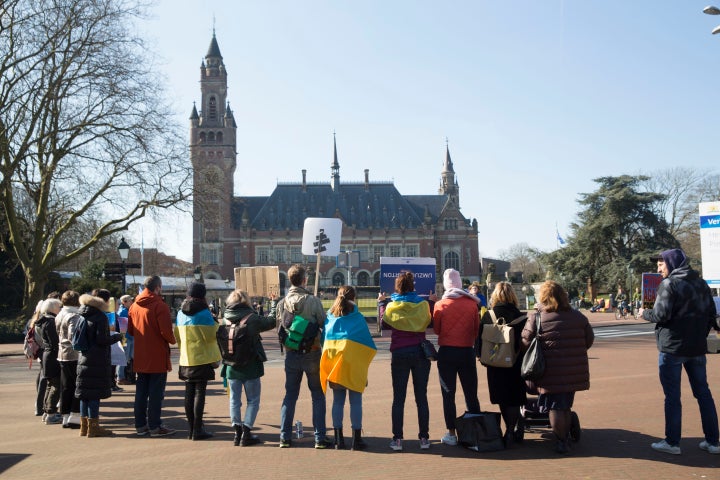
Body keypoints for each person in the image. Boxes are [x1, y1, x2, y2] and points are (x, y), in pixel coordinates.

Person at [640, 248, 719, 455]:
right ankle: (713, 442)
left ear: (672, 263)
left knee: (672, 396)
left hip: (672, 348)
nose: (658, 269)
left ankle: (672, 442)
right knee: (703, 393)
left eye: (661, 264)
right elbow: (712, 314)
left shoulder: (669, 284)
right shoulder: (701, 284)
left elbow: (661, 314)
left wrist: (643, 313)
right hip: (697, 348)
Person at [521, 280, 594, 455]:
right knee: (565, 405)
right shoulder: (578, 317)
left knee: (555, 407)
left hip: (549, 371)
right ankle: (565, 436)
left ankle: (561, 441)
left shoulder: (538, 317)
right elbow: (588, 340)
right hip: (573, 371)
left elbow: (525, 342)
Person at [273, 264, 330, 449]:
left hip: (291, 355)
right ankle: (320, 438)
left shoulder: (282, 303)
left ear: (290, 280)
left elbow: (279, 328)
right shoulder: (312, 301)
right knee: (318, 396)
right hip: (312, 353)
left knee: (290, 396)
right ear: (304, 280)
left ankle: (284, 437)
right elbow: (323, 323)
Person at [381, 271, 433, 451]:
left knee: (399, 398)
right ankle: (424, 438)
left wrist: (381, 303)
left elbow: (384, 323)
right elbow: (428, 322)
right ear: (413, 286)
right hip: (419, 351)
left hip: (399, 352)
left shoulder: (392, 305)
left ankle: (397, 439)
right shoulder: (423, 305)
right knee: (421, 398)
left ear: (397, 287)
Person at [320, 286, 377, 450]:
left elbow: (324, 341)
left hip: (335, 366)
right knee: (356, 402)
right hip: (354, 365)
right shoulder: (358, 318)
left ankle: (338, 440)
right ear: (354, 297)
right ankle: (356, 440)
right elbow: (368, 344)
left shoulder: (330, 318)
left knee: (337, 401)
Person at [219, 289, 276, 446]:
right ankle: (247, 431)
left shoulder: (224, 318)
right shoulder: (252, 319)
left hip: (231, 365)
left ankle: (237, 432)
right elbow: (271, 321)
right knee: (253, 400)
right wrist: (273, 303)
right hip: (250, 364)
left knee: (234, 400)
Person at [432, 269, 481, 447]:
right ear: (460, 283)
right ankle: (475, 432)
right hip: (467, 351)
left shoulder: (440, 304)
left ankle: (451, 433)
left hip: (447, 352)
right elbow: (476, 330)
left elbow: (437, 329)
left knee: (448, 394)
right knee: (471, 394)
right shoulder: (472, 304)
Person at [479, 281, 527, 447]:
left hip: (494, 363)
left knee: (502, 398)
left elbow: (479, 340)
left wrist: (481, 357)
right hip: (516, 363)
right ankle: (512, 429)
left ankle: (509, 428)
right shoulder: (521, 316)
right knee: (514, 398)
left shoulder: (488, 315)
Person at [128, 275, 177, 437]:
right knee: (156, 393)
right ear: (158, 287)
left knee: (141, 392)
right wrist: (173, 340)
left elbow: (130, 331)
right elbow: (166, 332)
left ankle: (140, 425)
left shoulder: (134, 306)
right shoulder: (160, 305)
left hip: (141, 354)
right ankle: (155, 426)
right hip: (157, 355)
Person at [175, 282, 222, 441]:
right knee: (200, 393)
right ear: (202, 295)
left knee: (188, 392)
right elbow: (211, 336)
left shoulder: (180, 313)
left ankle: (191, 429)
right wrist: (215, 322)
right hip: (202, 357)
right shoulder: (204, 312)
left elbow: (177, 336)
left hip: (186, 357)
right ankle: (198, 429)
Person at [75, 292, 123, 437]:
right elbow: (102, 340)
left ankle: (84, 427)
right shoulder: (100, 317)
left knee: (85, 394)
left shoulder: (82, 314)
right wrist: (117, 337)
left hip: (83, 357)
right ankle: (94, 427)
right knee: (94, 394)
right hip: (97, 359)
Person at [55, 291, 82, 428]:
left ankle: (65, 415)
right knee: (77, 385)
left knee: (66, 386)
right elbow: (74, 337)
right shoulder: (74, 316)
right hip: (73, 354)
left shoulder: (60, 314)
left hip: (62, 353)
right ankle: (75, 414)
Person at [35, 298, 63, 425]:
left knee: (50, 385)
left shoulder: (42, 321)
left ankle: (47, 411)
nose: (60, 308)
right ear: (53, 308)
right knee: (56, 385)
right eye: (58, 306)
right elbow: (55, 342)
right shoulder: (51, 322)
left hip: (47, 355)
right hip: (53, 355)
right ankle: (51, 413)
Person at [117, 295, 135, 385]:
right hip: (126, 338)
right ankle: (120, 377)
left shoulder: (126, 311)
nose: (132, 302)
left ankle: (123, 377)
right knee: (123, 358)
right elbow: (123, 330)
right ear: (124, 302)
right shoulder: (123, 312)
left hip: (129, 338)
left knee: (127, 358)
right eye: (130, 301)